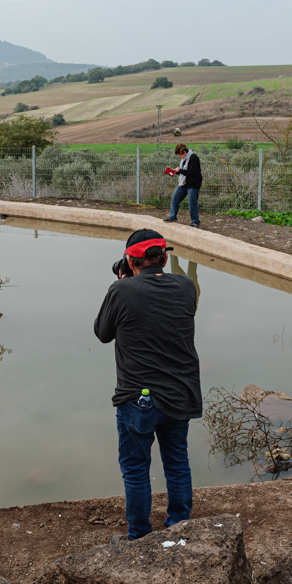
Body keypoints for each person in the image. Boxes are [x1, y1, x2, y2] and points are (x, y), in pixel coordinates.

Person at [94, 229, 201, 540]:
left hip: (139, 400)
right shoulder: (185, 286)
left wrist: (120, 284)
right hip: (181, 395)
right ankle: (179, 526)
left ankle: (139, 536)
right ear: (165, 258)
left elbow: (102, 333)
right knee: (177, 462)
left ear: (130, 260)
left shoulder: (122, 292)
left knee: (137, 468)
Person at [164, 143, 202, 228]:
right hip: (184, 183)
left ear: (184, 152)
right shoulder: (184, 159)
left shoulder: (194, 158)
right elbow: (185, 172)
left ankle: (195, 221)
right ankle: (173, 216)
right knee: (175, 197)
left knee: (192, 202)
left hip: (193, 183)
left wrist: (180, 170)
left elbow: (191, 173)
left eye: (180, 155)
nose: (180, 157)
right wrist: (176, 171)